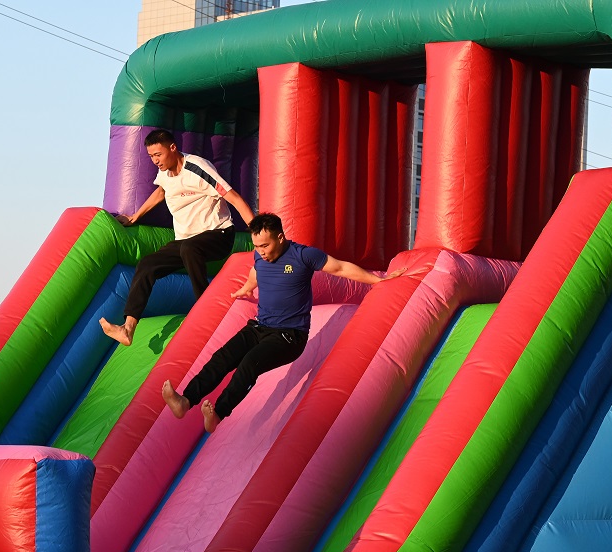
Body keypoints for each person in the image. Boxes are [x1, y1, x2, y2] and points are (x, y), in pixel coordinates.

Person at [162, 212, 405, 434]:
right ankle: (186, 400)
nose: (261, 251)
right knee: (223, 357)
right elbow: (256, 271)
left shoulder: (303, 255)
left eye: (265, 245)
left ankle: (219, 413)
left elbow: (340, 268)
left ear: (280, 237)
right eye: (257, 246)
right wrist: (247, 287)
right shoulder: (260, 256)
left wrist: (377, 280)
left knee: (249, 363)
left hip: (289, 336)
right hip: (259, 326)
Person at [100, 129, 255, 346]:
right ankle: (128, 328)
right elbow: (161, 191)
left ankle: (205, 309)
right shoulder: (164, 172)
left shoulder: (197, 168)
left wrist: (257, 232)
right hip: (186, 240)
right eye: (151, 156)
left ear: (173, 148)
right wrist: (136, 217)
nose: (155, 161)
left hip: (218, 234)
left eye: (158, 155)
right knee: (147, 264)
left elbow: (234, 197)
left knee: (189, 249)